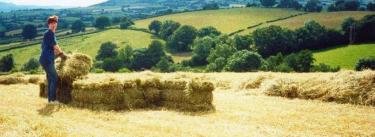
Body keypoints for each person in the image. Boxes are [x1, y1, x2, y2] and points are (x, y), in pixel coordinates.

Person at [39, 15, 67, 104]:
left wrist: (57, 54)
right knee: (55, 78)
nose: (53, 25)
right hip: (47, 60)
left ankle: (50, 100)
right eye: (51, 23)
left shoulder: (49, 34)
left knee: (51, 79)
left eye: (55, 23)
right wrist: (62, 54)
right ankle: (52, 100)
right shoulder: (49, 33)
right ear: (49, 24)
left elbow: (48, 47)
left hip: (46, 59)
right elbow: (55, 46)